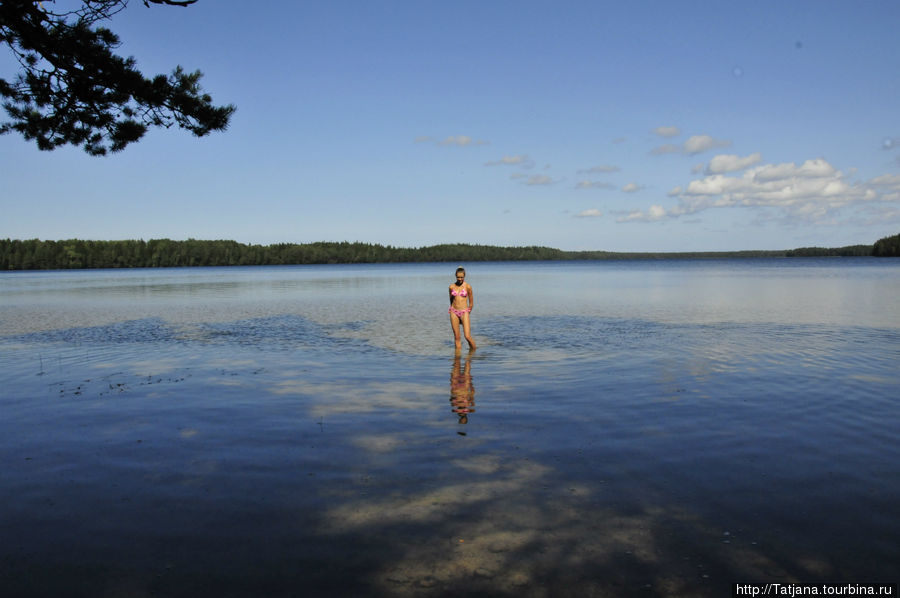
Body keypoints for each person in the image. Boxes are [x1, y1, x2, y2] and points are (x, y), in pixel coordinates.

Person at [448, 266, 476, 351]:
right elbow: (451, 300)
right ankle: (457, 359)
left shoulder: (468, 287)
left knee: (467, 336)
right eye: (458, 277)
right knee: (457, 337)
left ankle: (474, 352)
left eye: (462, 277)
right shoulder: (451, 287)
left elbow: (471, 304)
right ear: (455, 276)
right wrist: (453, 310)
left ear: (464, 276)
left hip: (464, 312)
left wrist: (467, 313)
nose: (460, 279)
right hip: (454, 312)